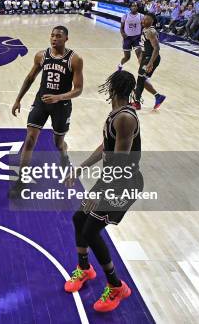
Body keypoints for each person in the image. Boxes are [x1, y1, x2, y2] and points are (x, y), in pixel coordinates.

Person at [63, 70, 143, 313]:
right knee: (79, 218)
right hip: (111, 179)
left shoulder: (125, 118)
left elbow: (119, 161)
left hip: (122, 182)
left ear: (112, 89)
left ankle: (116, 286)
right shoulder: (115, 114)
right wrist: (82, 168)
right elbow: (106, 146)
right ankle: (85, 268)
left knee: (91, 230)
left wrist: (100, 191)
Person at [9, 26, 83, 197]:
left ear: (66, 39)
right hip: (41, 102)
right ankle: (22, 179)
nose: (54, 39)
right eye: (52, 36)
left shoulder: (75, 59)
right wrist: (18, 99)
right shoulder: (42, 56)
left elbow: (78, 89)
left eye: (58, 36)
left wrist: (60, 97)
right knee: (29, 139)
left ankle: (64, 154)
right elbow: (30, 78)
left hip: (61, 106)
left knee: (58, 144)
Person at [133, 13, 166, 110]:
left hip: (151, 58)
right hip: (146, 57)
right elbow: (145, 46)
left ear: (151, 21)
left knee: (140, 80)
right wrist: (141, 57)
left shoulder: (151, 31)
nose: (143, 21)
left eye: (146, 20)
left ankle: (137, 104)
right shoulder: (145, 29)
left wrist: (150, 62)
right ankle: (158, 96)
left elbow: (156, 48)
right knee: (142, 80)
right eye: (143, 19)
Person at [118, 2, 143, 70]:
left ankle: (142, 70)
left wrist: (143, 34)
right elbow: (121, 27)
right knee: (127, 57)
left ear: (137, 7)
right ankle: (120, 65)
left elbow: (144, 27)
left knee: (139, 54)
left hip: (137, 38)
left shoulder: (141, 16)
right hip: (127, 38)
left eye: (135, 6)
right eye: (132, 6)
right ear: (130, 7)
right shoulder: (125, 16)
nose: (134, 7)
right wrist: (122, 33)